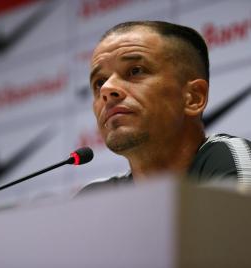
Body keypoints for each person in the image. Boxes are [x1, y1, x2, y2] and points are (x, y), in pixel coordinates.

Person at [80, 21, 251, 193]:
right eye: (99, 82)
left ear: (194, 97)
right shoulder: (93, 196)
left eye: (135, 71)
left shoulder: (229, 159)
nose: (106, 89)